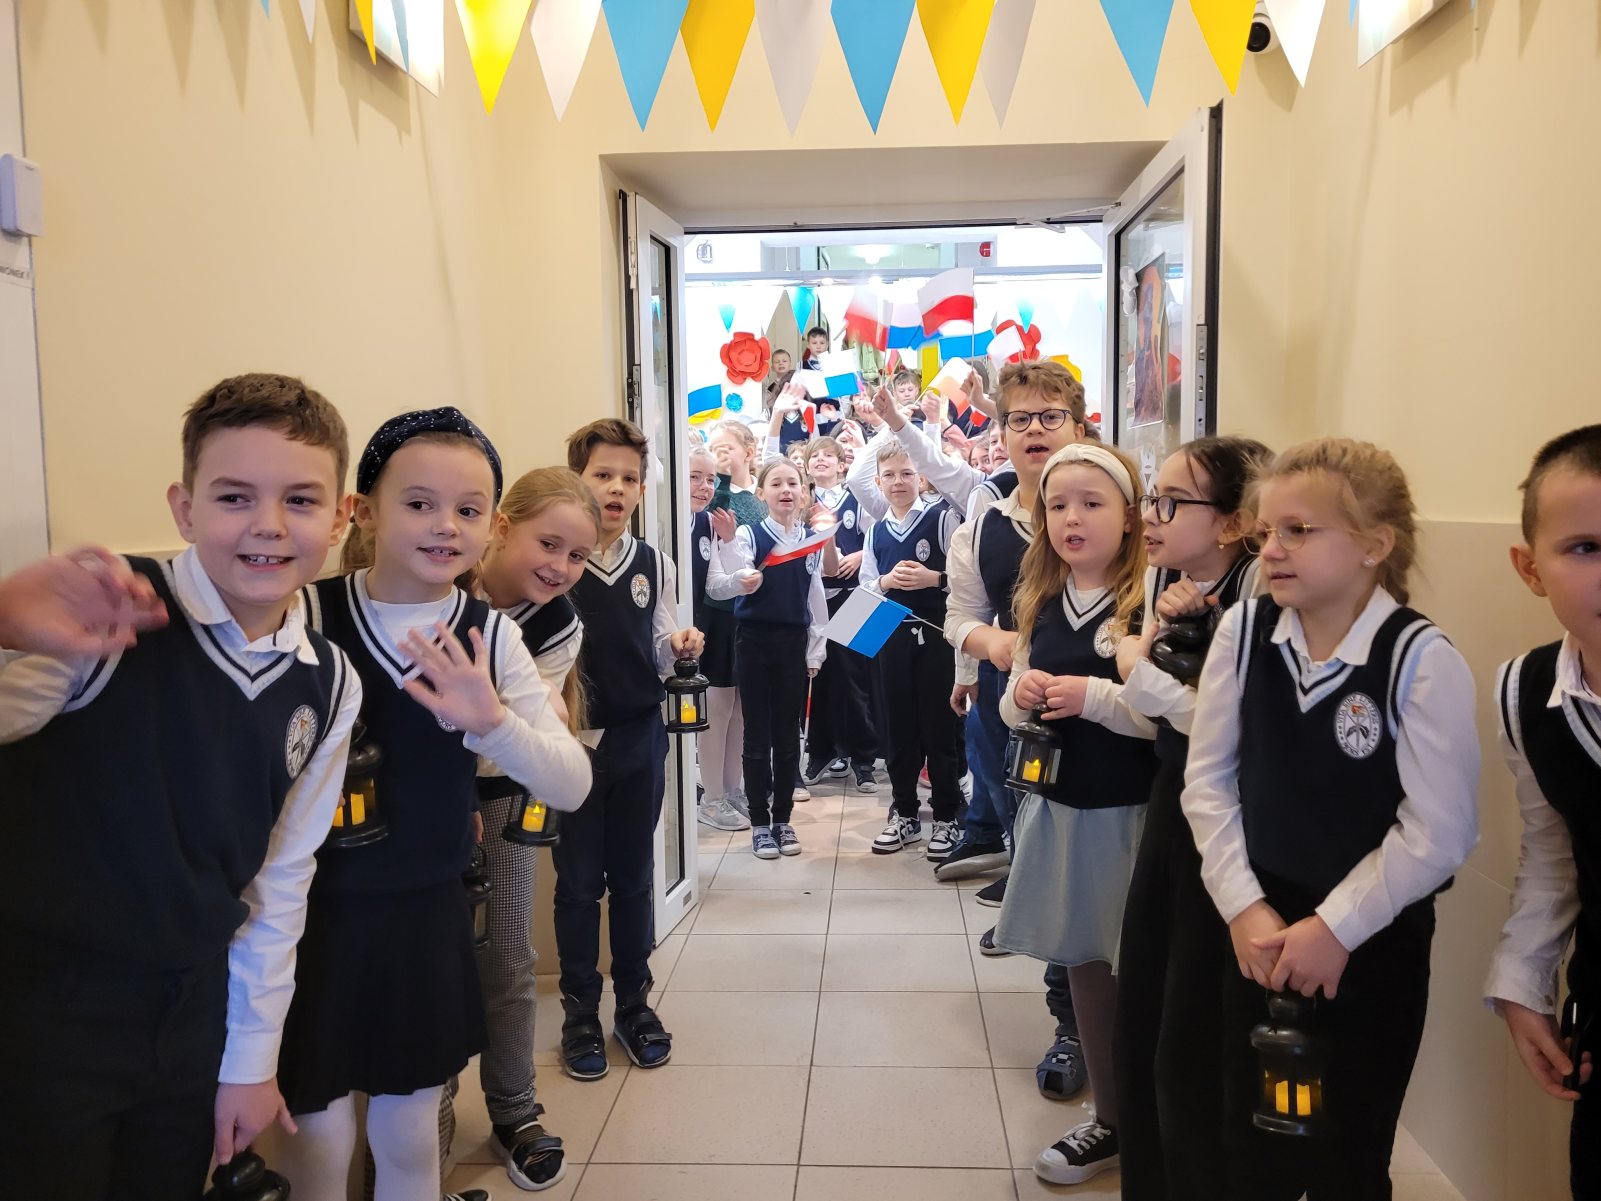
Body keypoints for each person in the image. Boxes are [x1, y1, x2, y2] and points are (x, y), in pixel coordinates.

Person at [0, 375, 362, 1197]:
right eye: (234, 496)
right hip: (43, 1012)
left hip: (194, 1013)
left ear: (341, 516)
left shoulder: (331, 681)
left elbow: (281, 879)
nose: (268, 524)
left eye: (301, 499)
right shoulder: (109, 611)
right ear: (184, 508)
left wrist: (249, 1061)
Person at [277, 408, 591, 1201]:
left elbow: (569, 781)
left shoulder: (490, 635)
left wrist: (493, 722)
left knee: (409, 1123)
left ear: (491, 525)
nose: (445, 524)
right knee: (318, 1131)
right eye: (418, 503)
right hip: (307, 913)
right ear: (363, 510)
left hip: (425, 908)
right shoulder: (302, 612)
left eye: (467, 508)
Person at [1183, 438, 1479, 1200]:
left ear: (1373, 545)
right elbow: (1207, 783)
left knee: (1350, 1151)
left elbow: (1440, 829)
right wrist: (1243, 907)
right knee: (1249, 1145)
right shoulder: (1243, 632)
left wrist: (1335, 928)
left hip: (1372, 938)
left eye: (1298, 530)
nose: (1271, 549)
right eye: (1265, 532)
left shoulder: (1418, 656)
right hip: (1260, 928)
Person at [1110, 437, 1271, 1201]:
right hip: (1172, 807)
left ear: (1233, 523)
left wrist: (1135, 667)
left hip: (1229, 827)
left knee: (1193, 1032)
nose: (1150, 516)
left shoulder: (1258, 599)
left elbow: (1226, 729)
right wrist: (1143, 654)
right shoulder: (1171, 580)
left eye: (1171, 503)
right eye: (1152, 497)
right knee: (1143, 1007)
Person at [996, 443, 1157, 1186]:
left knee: (1142, 966)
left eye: (1092, 503)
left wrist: (1093, 698)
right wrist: (1021, 693)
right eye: (1057, 504)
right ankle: (1114, 1119)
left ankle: (1156, 1118)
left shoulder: (1148, 602)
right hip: (1063, 809)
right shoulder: (1039, 598)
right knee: (1086, 964)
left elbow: (1168, 716)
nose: (1072, 518)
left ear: (1129, 516)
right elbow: (1012, 701)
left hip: (1135, 812)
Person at [939, 361, 1086, 1099]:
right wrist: (987, 647)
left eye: (1049, 416)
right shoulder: (982, 525)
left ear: (1079, 425)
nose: (1034, 430)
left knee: (1086, 862)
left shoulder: (1115, 511)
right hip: (1013, 705)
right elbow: (958, 615)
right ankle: (1070, 1020)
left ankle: (1091, 1020)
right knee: (1034, 842)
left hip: (1100, 713)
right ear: (1000, 431)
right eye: (1019, 418)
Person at [461, 464, 604, 1191]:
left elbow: (512, 737)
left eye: (577, 556)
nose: (560, 567)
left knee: (508, 953)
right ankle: (419, 1129)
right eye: (548, 544)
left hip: (504, 787)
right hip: (421, 799)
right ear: (501, 526)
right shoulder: (441, 583)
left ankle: (514, 1108)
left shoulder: (557, 623)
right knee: (428, 960)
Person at [559, 418, 704, 1080]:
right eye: (602, 475)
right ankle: (579, 1012)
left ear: (643, 489)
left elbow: (657, 641)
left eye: (629, 478)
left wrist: (678, 644)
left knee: (634, 876)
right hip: (571, 746)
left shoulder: (654, 563)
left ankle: (634, 1004)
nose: (616, 488)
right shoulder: (556, 560)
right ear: (576, 480)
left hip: (640, 736)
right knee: (577, 883)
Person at [1485, 425, 1601, 1198]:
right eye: (1585, 547)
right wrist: (1521, 981)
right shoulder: (1523, 694)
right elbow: (1554, 851)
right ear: (1530, 568)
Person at [708, 458, 830, 860]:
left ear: (803, 493)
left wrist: (816, 649)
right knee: (756, 735)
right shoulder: (748, 534)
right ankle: (760, 823)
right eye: (776, 483)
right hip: (754, 641)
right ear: (761, 493)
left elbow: (815, 595)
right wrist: (732, 552)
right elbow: (731, 580)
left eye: (793, 483)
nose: (785, 490)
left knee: (788, 736)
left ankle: (783, 820)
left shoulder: (810, 540)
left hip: (793, 643)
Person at [861, 442, 962, 858]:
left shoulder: (942, 518)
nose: (898, 482)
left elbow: (967, 579)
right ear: (878, 481)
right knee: (898, 728)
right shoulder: (875, 531)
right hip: (890, 635)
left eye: (906, 473)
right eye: (889, 475)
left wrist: (933, 579)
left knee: (940, 728)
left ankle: (947, 816)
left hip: (937, 634)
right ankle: (904, 812)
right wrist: (886, 582)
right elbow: (866, 586)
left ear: (920, 477)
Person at [802, 434, 879, 794]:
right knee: (819, 677)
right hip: (817, 598)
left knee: (857, 679)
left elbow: (877, 532)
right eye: (814, 455)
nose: (820, 460)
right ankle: (821, 752)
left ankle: (864, 758)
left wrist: (861, 556)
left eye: (828, 455)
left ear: (841, 463)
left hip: (859, 597)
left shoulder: (856, 497)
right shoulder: (803, 500)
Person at [688, 445, 749, 832]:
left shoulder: (711, 523)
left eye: (710, 479)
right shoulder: (670, 521)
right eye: (695, 477)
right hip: (689, 630)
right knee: (714, 711)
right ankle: (711, 798)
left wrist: (728, 542)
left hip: (716, 624)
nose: (704, 486)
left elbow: (720, 582)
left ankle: (730, 789)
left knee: (735, 711)